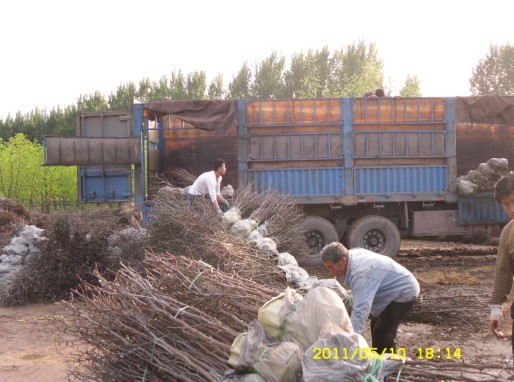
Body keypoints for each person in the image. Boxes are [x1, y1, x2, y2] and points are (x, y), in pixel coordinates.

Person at [321, 242, 420, 353]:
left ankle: (390, 364)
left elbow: (361, 309)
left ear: (343, 261)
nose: (330, 272)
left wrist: (351, 340)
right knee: (376, 325)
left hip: (403, 290)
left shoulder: (362, 273)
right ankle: (379, 359)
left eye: (331, 267)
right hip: (387, 289)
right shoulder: (351, 256)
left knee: (382, 331)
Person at [490, 172, 514, 353]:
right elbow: (503, 272)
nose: (512, 209)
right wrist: (496, 310)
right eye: (506, 204)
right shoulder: (508, 232)